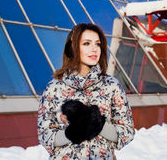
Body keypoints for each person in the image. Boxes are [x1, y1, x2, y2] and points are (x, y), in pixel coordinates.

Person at [38, 23, 135, 159]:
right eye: (87, 43)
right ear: (73, 47)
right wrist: (72, 132)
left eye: (97, 44)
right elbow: (45, 136)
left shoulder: (112, 85)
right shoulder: (54, 87)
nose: (94, 49)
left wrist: (99, 124)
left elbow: (126, 133)